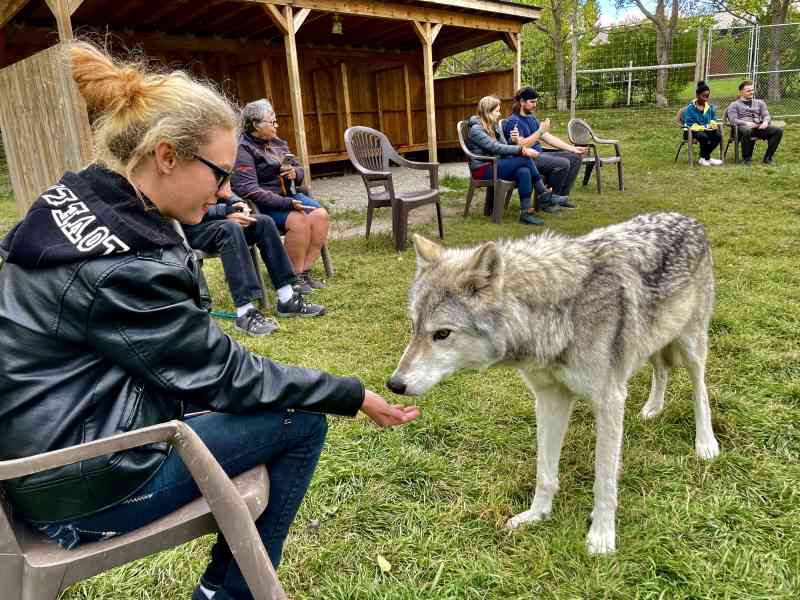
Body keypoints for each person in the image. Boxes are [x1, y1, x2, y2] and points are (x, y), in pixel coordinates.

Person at [0, 41, 420, 600]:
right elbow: (225, 375)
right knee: (302, 420)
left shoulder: (74, 208)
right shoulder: (127, 265)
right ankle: (233, 593)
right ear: (167, 156)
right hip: (82, 488)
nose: (227, 190)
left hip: (38, 456)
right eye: (221, 173)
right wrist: (349, 394)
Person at [182, 193, 325, 336]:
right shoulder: (183, 173)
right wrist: (226, 211)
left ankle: (287, 298)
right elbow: (185, 207)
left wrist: (238, 205)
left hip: (223, 220)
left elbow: (228, 194)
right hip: (191, 227)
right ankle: (245, 312)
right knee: (230, 228)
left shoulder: (211, 173)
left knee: (264, 222)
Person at [232, 100, 327, 290]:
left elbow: (300, 170)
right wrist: (287, 204)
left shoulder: (277, 143)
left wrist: (295, 173)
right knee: (299, 221)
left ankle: (304, 271)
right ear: (255, 125)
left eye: (276, 121)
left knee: (320, 216)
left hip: (289, 197)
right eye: (272, 122)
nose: (277, 126)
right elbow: (249, 190)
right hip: (266, 204)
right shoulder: (243, 149)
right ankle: (292, 276)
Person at [465, 95, 568, 226]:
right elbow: (495, 147)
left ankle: (525, 213)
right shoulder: (476, 130)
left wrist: (512, 140)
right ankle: (543, 193)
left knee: (523, 171)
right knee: (524, 159)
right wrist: (522, 150)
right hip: (482, 169)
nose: (499, 113)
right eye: (496, 111)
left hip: (496, 165)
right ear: (487, 112)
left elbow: (503, 144)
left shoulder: (494, 126)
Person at [503, 86, 584, 206]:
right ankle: (547, 202)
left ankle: (561, 197)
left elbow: (549, 138)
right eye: (532, 102)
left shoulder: (531, 119)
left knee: (576, 158)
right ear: (522, 102)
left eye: (536, 102)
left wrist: (573, 148)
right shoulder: (513, 121)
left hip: (540, 154)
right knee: (563, 164)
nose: (535, 105)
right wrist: (539, 132)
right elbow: (522, 146)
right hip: (528, 158)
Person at [726, 80, 783, 166]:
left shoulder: (760, 103)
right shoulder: (734, 105)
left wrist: (765, 122)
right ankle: (746, 159)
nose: (751, 92)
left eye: (752, 90)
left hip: (757, 126)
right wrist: (746, 123)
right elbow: (733, 120)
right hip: (741, 129)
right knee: (747, 130)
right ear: (741, 92)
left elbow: (766, 115)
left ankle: (767, 158)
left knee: (778, 131)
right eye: (748, 91)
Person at [683, 80, 723, 167]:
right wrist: (705, 127)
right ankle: (706, 158)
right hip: (691, 131)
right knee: (703, 136)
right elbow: (690, 124)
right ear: (697, 95)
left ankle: (704, 157)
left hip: (706, 130)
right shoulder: (690, 108)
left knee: (718, 136)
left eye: (707, 96)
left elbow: (713, 119)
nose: (706, 99)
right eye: (703, 96)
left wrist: (713, 125)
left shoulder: (709, 107)